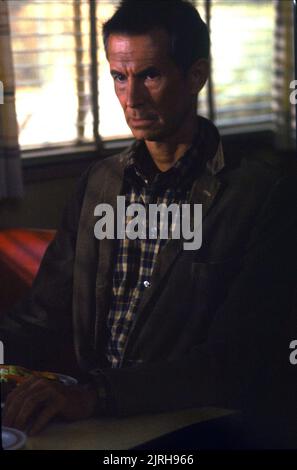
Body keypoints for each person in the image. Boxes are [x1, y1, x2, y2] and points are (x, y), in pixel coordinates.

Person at [1, 0, 297, 439]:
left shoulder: (262, 195)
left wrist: (97, 394)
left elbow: (236, 358)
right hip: (99, 420)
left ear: (196, 75)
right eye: (120, 77)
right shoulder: (96, 186)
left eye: (150, 76)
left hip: (204, 423)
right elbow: (42, 317)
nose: (131, 98)